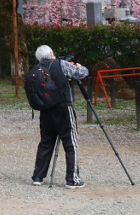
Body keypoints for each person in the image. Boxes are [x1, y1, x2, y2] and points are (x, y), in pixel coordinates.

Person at [30, 45, 89, 189]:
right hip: (63, 109)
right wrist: (80, 66)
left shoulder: (35, 70)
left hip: (45, 112)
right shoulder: (61, 64)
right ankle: (72, 179)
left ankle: (38, 176)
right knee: (70, 143)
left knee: (45, 143)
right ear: (51, 53)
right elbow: (81, 73)